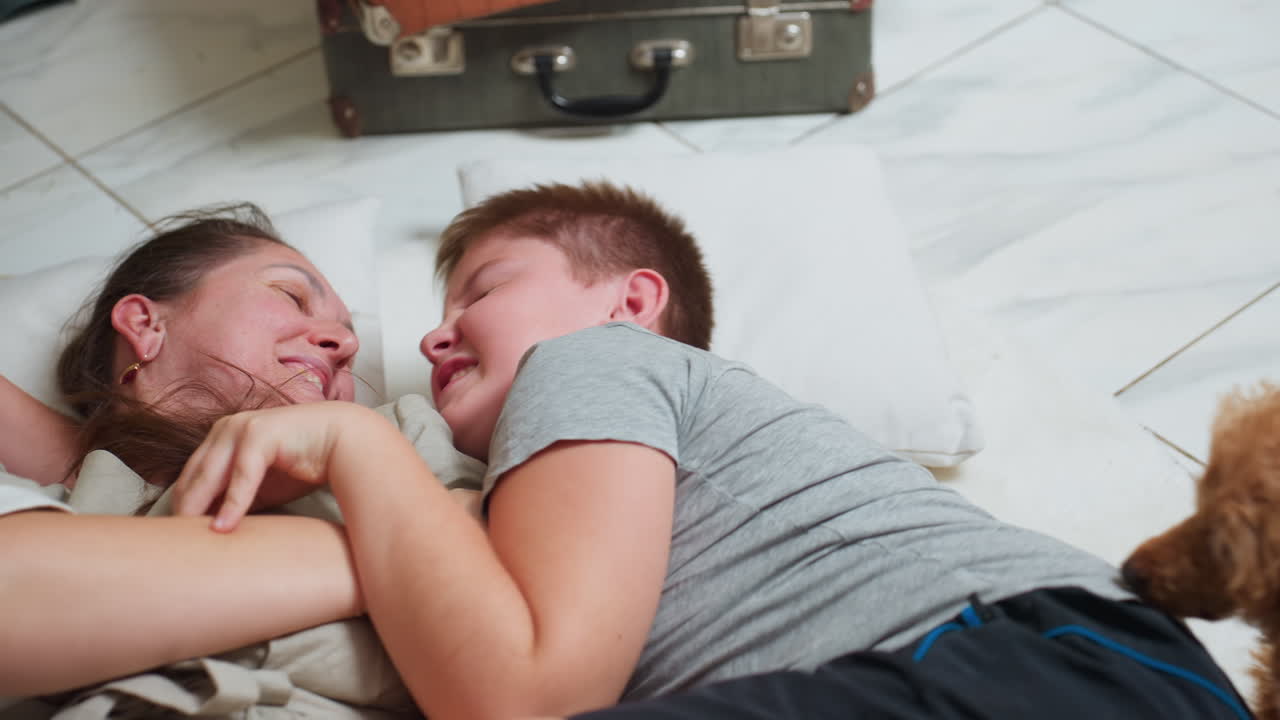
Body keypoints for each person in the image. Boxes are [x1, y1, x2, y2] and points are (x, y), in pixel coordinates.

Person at [170, 182, 1251, 720]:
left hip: (1023, 659)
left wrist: (357, 441)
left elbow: (527, 698)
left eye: (482, 290)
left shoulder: (589, 361)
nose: (433, 338)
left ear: (630, 301)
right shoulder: (527, 483)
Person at [0, 204, 479, 716]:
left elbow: (504, 586)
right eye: (292, 296)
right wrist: (387, 552)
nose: (347, 343)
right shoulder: (58, 517)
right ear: (145, 323)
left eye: (348, 342)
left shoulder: (398, 436)